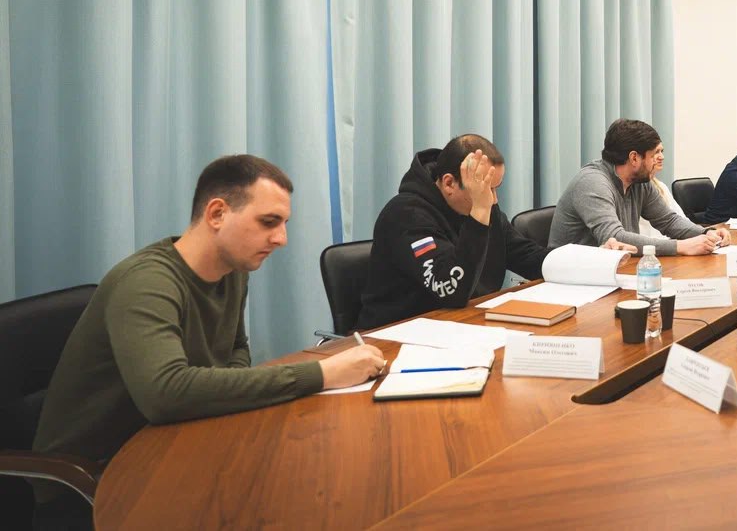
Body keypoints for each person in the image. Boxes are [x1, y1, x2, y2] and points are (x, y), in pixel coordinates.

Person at [32, 155, 384, 527]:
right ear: (217, 214)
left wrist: (224, 388)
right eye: (269, 222)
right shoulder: (146, 283)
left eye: (284, 224)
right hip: (91, 482)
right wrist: (322, 374)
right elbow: (165, 393)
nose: (281, 239)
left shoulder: (233, 269)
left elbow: (237, 349)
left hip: (178, 443)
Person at [359, 134, 553, 329]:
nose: (493, 199)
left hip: (463, 325)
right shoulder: (406, 215)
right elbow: (451, 290)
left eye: (495, 188)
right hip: (396, 334)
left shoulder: (484, 206)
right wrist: (479, 213)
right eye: (485, 188)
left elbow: (527, 256)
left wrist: (569, 262)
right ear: (449, 183)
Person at [548, 119, 726, 256]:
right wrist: (680, 246)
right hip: (571, 278)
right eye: (655, 153)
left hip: (613, 271)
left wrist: (707, 233)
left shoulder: (640, 182)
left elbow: (668, 221)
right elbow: (614, 237)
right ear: (634, 158)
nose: (660, 158)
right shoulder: (592, 182)